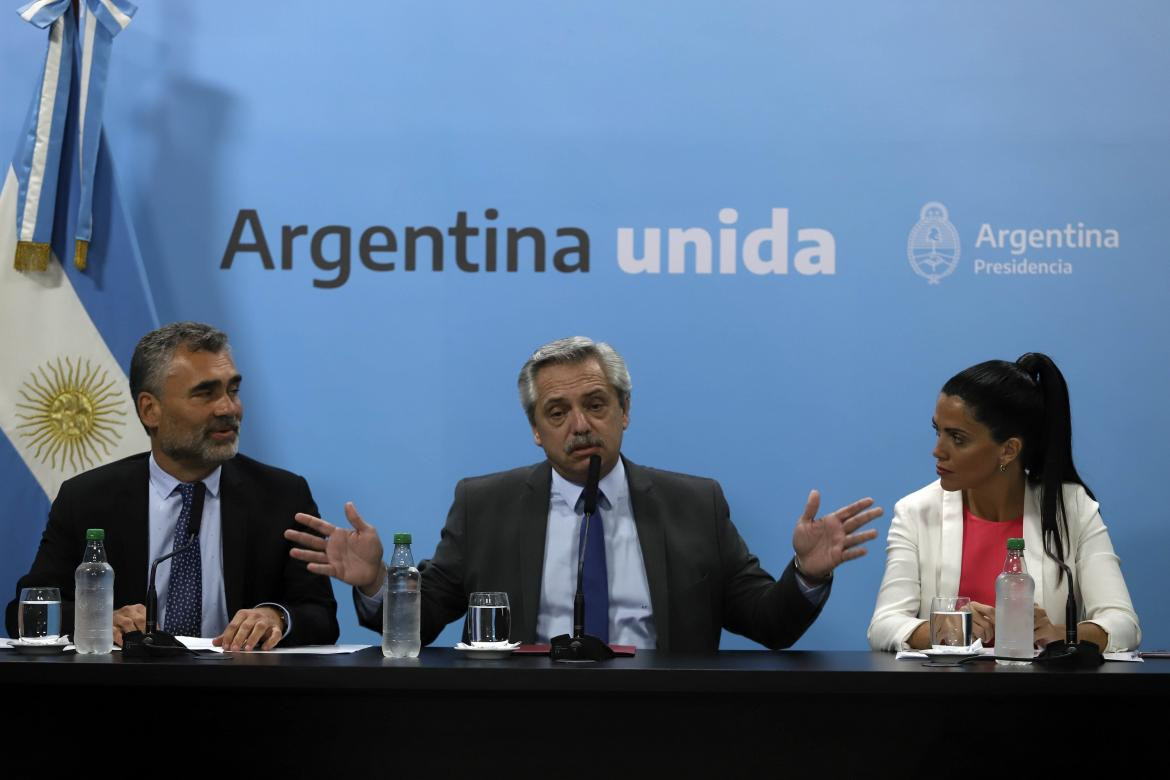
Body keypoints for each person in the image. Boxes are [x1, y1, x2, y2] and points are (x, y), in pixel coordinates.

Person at [287, 336, 881, 652]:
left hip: (667, 725)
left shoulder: (695, 504)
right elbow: (421, 626)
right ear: (535, 430)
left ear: (625, 412)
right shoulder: (484, 503)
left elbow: (768, 623)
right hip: (521, 727)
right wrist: (374, 583)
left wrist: (806, 572)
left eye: (596, 405)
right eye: (558, 411)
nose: (580, 425)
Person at [4, 322, 339, 650]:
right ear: (151, 410)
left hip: (242, 694)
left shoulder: (281, 495)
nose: (228, 408)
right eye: (205, 393)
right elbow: (26, 610)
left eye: (233, 390)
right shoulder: (87, 499)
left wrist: (277, 617)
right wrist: (93, 619)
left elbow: (321, 615)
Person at [867, 353, 1140, 653]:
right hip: (945, 695)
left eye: (957, 438)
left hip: (1046, 696)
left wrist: (1061, 634)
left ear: (1008, 450)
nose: (938, 450)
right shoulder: (915, 512)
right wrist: (945, 628)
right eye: (938, 431)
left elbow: (1123, 623)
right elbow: (884, 624)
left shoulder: (1072, 508)